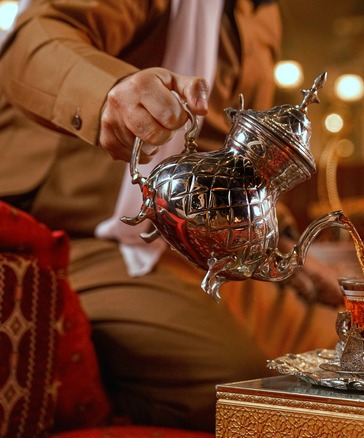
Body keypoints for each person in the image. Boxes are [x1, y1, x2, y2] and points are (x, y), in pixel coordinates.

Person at [0, 0, 343, 432]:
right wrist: (111, 92)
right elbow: (31, 42)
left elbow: (237, 161)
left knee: (352, 360)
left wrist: (289, 246)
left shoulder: (263, 13)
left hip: (196, 246)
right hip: (83, 234)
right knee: (241, 390)